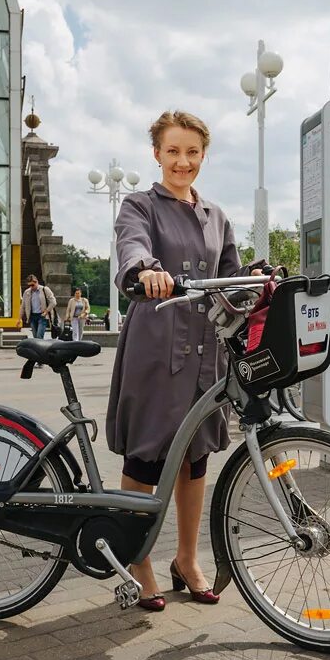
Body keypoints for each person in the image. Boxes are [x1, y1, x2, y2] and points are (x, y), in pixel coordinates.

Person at [107, 110, 265, 611]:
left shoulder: (217, 216)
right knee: (147, 454)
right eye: (173, 151)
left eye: (192, 152)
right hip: (156, 349)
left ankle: (187, 558)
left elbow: (232, 279)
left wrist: (258, 281)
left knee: (194, 457)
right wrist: (145, 269)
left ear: (203, 156)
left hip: (204, 350)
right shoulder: (139, 205)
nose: (183, 161)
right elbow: (132, 247)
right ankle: (139, 560)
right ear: (157, 154)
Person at [19, 275, 56, 340]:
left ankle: (41, 349)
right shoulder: (27, 292)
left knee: (39, 336)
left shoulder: (44, 289)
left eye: (33, 285)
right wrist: (19, 318)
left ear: (37, 282)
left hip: (42, 316)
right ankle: (37, 349)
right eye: (29, 285)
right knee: (35, 337)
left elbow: (53, 302)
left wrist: (46, 311)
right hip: (32, 316)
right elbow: (23, 306)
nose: (31, 287)